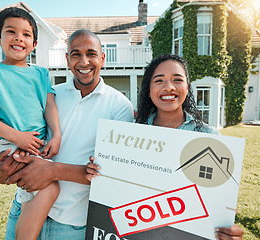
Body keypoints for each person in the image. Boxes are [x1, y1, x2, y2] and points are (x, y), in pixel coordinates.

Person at [0, 29, 134, 239]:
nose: (84, 61)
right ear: (67, 60)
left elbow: (112, 174)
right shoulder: (50, 94)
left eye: (91, 54)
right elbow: (23, 140)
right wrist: (3, 171)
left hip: (71, 224)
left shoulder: (120, 106)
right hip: (25, 207)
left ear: (103, 58)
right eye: (76, 54)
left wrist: (52, 171)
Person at [86, 53, 244, 240]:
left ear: (187, 86)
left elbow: (219, 206)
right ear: (149, 89)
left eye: (177, 80)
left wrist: (229, 232)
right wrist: (100, 174)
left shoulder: (210, 139)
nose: (169, 87)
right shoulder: (128, 138)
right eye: (159, 81)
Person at [0, 7, 61, 240]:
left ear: (34, 43)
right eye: (11, 31)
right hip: (8, 143)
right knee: (50, 187)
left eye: (26, 34)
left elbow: (49, 106)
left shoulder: (40, 74)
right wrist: (19, 137)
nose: (19, 38)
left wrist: (56, 135)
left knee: (30, 196)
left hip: (36, 143)